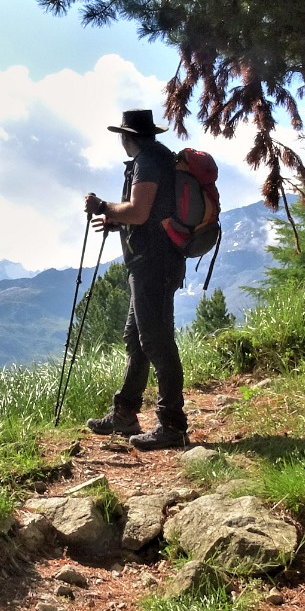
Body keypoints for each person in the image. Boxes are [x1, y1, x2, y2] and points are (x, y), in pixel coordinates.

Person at [82, 109, 189, 451]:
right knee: (138, 339)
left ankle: (172, 425)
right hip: (158, 262)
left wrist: (103, 206)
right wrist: (117, 220)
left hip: (152, 266)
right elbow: (151, 214)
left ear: (127, 136)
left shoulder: (147, 161)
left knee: (156, 342)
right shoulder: (160, 158)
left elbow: (139, 211)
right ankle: (124, 414)